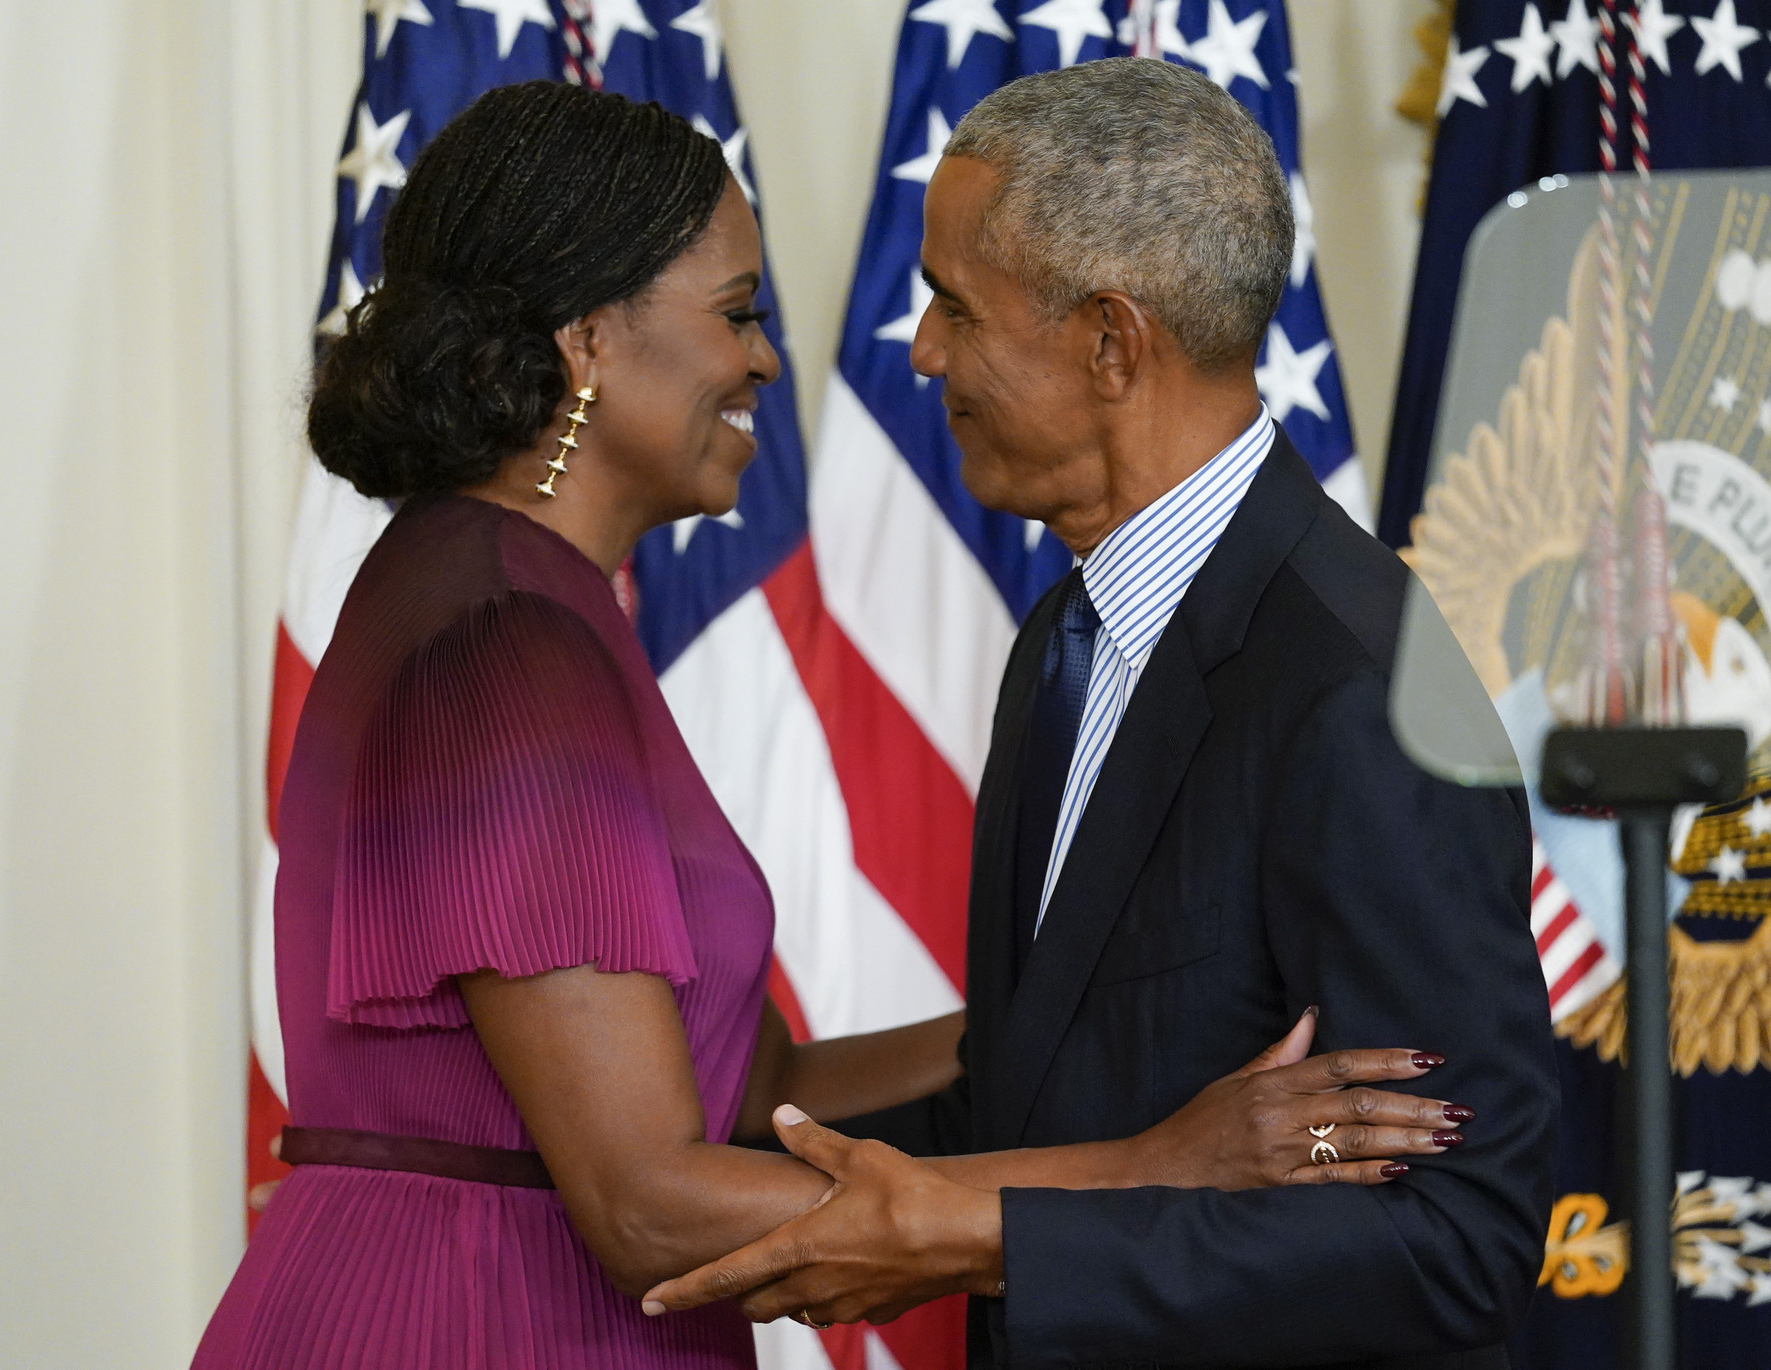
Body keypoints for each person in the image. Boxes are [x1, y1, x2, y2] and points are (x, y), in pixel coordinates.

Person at [191, 81, 1469, 1370]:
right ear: (586, 343)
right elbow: (645, 1200)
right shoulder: (504, 639)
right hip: (480, 1322)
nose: (765, 360)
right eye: (738, 314)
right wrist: (1148, 1168)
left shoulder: (516, 597)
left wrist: (1102, 1046)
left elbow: (744, 1085)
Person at [641, 59, 1560, 1370]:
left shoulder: (1357, 691)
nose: (923, 352)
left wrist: (989, 1232)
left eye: (954, 305)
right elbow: (1044, 1092)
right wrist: (646, 1168)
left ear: (1113, 342)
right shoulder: (1064, 641)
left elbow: (1458, 1242)